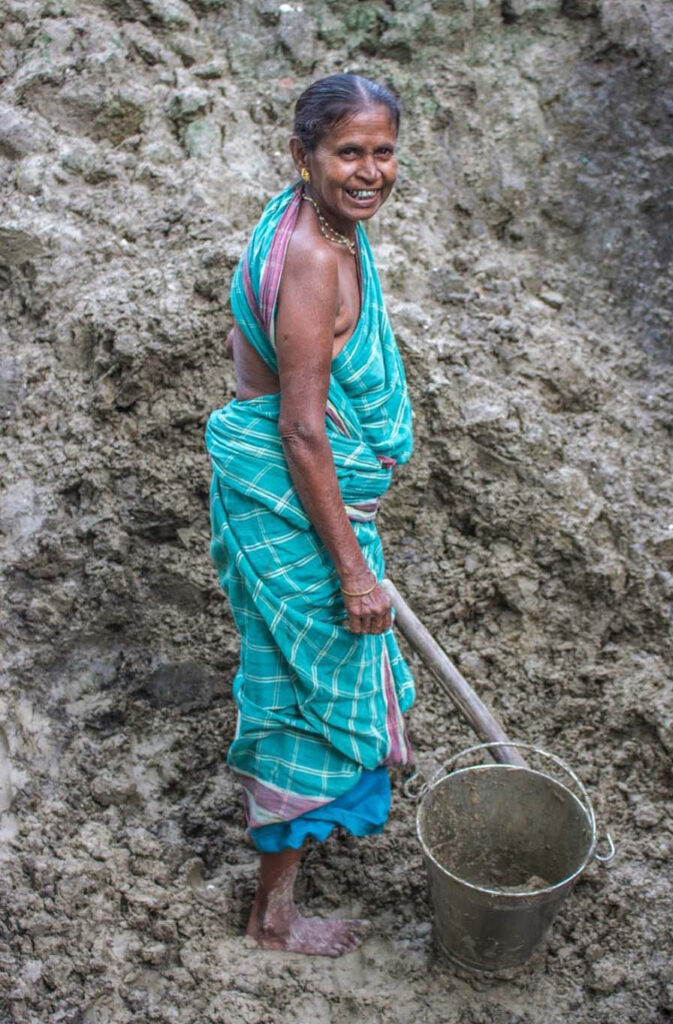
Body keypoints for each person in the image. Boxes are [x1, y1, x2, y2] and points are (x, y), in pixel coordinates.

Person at [205, 74, 415, 957]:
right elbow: (297, 429)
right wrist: (353, 571)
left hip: (301, 495)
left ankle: (279, 899)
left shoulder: (315, 220)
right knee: (307, 697)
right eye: (347, 153)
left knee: (314, 682)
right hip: (295, 503)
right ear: (303, 156)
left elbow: (259, 364)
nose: (368, 171)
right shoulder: (311, 257)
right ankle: (271, 920)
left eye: (383, 151)